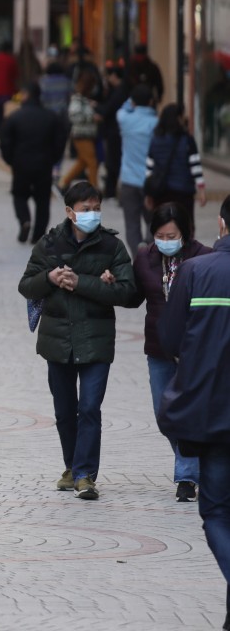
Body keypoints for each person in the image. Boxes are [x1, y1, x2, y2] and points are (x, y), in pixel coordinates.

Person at [18, 181, 136, 501]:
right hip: (58, 342)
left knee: (90, 408)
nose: (93, 214)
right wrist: (50, 279)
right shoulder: (50, 244)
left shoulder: (111, 247)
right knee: (65, 411)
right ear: (70, 212)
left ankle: (85, 475)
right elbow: (26, 286)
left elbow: (130, 293)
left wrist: (83, 283)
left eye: (97, 208)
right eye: (86, 209)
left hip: (96, 340)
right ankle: (72, 467)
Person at [158, 195, 230, 631]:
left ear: (221, 225)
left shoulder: (196, 271)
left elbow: (169, 338)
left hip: (215, 415)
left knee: (218, 512)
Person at [130, 202, 210, 501]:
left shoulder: (203, 258)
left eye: (171, 235)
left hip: (194, 351)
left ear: (185, 233)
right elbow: (132, 296)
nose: (165, 240)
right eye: (160, 235)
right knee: (164, 414)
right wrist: (107, 282)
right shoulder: (144, 258)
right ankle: (195, 462)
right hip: (159, 349)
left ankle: (187, 476)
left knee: (191, 412)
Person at [0, 82, 67, 244]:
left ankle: (24, 220)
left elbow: (5, 141)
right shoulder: (51, 117)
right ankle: (38, 234)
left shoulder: (15, 117)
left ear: (26, 95)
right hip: (44, 163)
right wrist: (54, 159)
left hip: (21, 162)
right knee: (42, 199)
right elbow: (60, 141)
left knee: (19, 194)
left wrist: (10, 159)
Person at [146, 103, 207, 222]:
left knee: (162, 225)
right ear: (178, 118)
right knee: (185, 227)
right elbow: (195, 167)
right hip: (183, 192)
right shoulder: (187, 140)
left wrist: (148, 193)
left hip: (161, 192)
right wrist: (202, 190)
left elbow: (149, 169)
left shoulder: (155, 140)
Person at [117, 85, 159, 251]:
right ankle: (149, 248)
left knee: (132, 223)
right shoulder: (155, 123)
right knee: (154, 220)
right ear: (151, 101)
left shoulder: (124, 118)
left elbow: (123, 107)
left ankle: (138, 255)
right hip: (150, 180)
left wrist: (131, 101)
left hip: (128, 179)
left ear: (133, 102)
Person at [60, 72, 101, 190]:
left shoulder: (84, 99)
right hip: (81, 134)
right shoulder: (78, 99)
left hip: (86, 134)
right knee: (92, 162)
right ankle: (94, 188)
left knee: (83, 162)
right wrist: (91, 118)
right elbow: (74, 116)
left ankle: (63, 182)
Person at [98, 65, 129, 199]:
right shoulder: (116, 90)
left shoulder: (119, 92)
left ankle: (110, 190)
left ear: (115, 76)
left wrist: (99, 109)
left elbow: (108, 108)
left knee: (113, 161)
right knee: (113, 160)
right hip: (114, 130)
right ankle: (111, 189)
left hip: (115, 131)